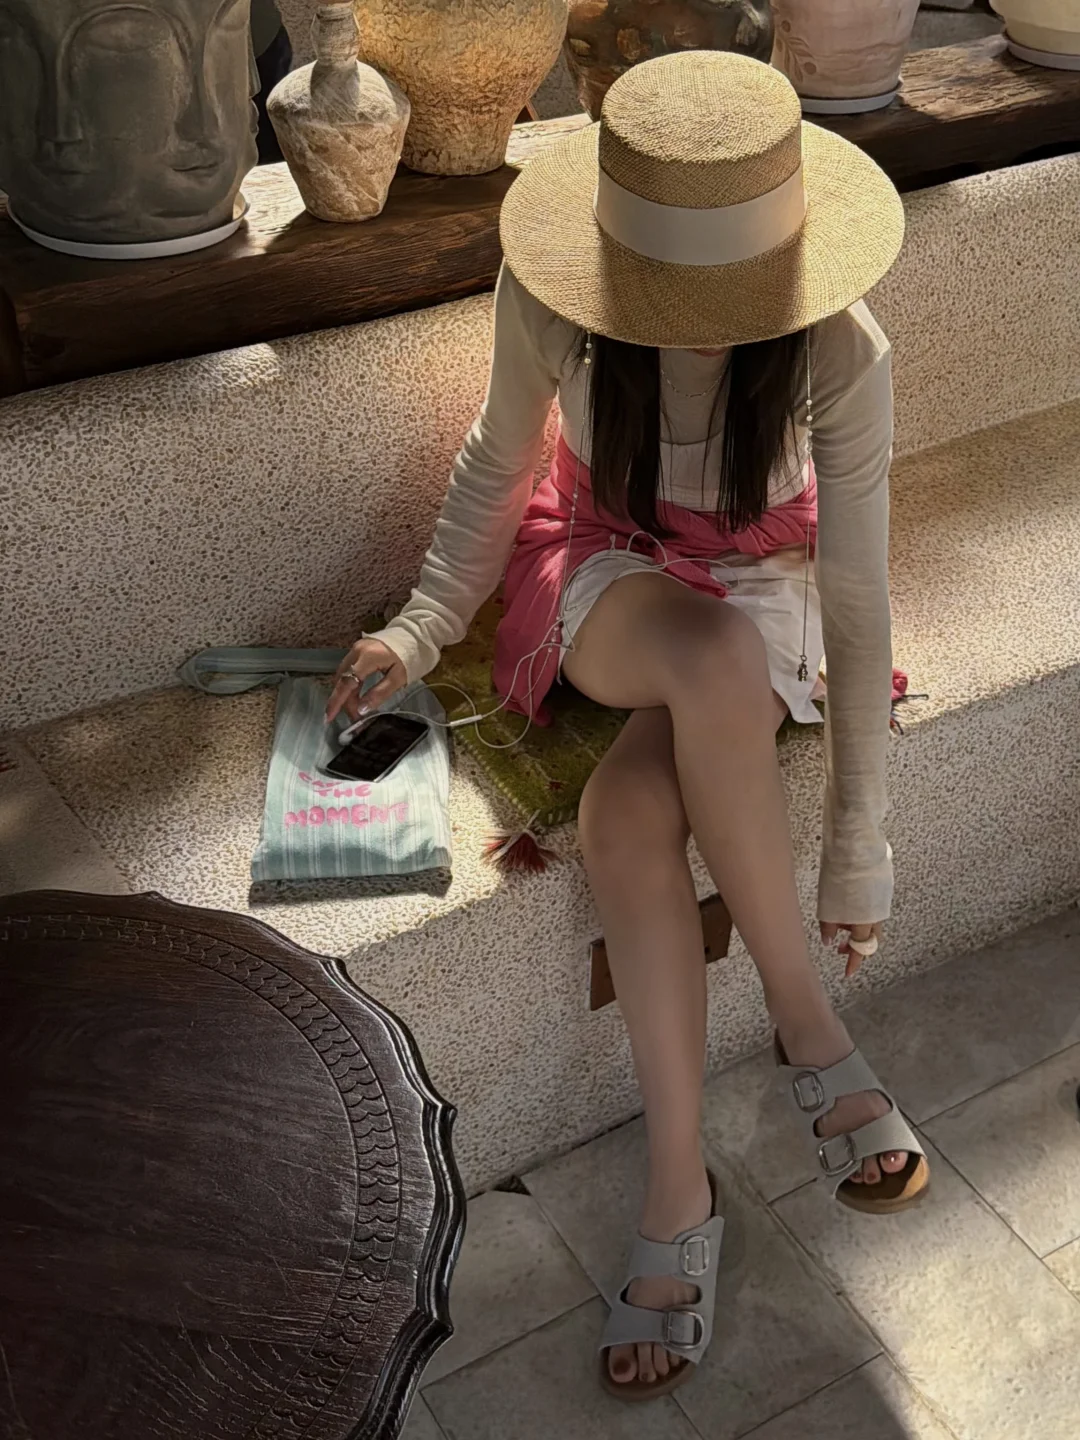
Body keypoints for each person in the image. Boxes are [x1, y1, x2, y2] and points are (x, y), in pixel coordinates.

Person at [326, 51, 928, 1400]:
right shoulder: (554, 296)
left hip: (771, 573)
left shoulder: (842, 347)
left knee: (624, 817)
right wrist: (422, 624)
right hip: (613, 566)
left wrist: (859, 846)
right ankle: (811, 1028)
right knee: (708, 657)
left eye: (726, 293)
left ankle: (674, 1190)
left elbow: (856, 594)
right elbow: (497, 463)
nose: (698, 324)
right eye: (672, 292)